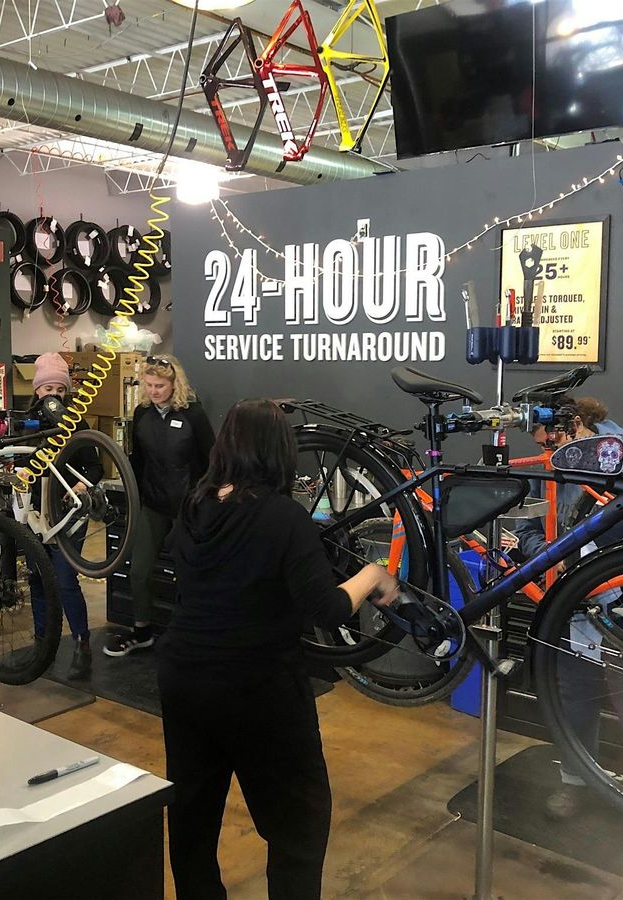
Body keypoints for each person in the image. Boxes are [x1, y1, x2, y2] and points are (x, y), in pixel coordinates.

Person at [159, 399, 398, 899]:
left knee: (192, 818)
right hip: (259, 689)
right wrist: (372, 574)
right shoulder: (283, 517)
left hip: (184, 678)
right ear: (279, 452)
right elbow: (328, 609)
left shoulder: (194, 504)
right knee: (298, 826)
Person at [519, 397, 623, 851]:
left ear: (576, 424)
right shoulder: (548, 462)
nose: (544, 447)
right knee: (574, 695)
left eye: (548, 436)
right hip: (568, 599)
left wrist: (586, 556)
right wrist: (548, 555)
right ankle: (576, 781)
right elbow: (529, 524)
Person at [105, 355, 214, 657]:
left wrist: (205, 502)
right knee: (139, 570)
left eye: (160, 386)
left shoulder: (194, 416)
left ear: (173, 384)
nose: (154, 391)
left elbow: (211, 461)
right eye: (149, 385)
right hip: (151, 503)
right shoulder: (142, 414)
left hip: (187, 507)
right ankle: (142, 630)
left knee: (188, 573)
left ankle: (190, 634)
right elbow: (136, 460)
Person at [26, 352, 101, 679]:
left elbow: (96, 466)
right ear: (36, 390)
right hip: (33, 512)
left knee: (65, 579)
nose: (53, 394)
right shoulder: (25, 422)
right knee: (36, 577)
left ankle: (82, 644)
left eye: (59, 388)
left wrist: (81, 487)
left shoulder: (76, 422)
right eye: (47, 388)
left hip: (69, 512)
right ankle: (43, 642)